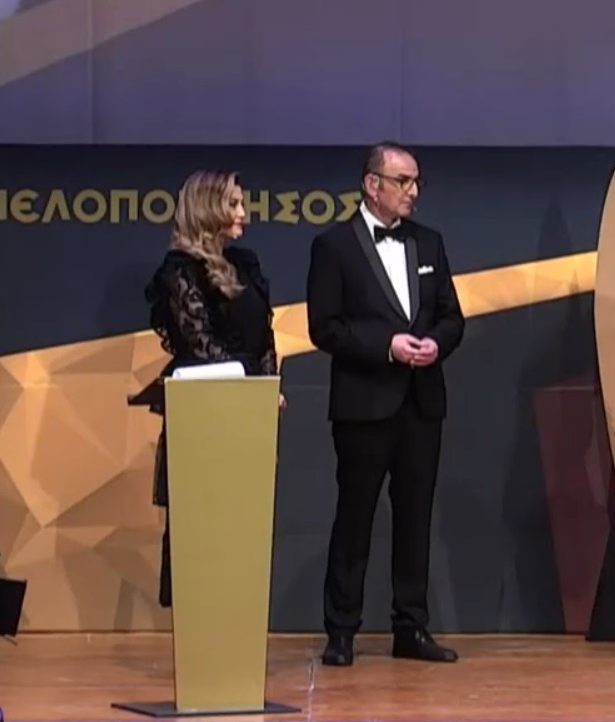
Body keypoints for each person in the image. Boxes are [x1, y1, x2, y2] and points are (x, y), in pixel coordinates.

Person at [305, 142, 465, 666]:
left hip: (422, 402)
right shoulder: (333, 246)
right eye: (403, 181)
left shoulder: (430, 242)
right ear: (371, 184)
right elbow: (324, 327)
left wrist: (435, 343)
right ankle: (341, 631)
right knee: (355, 517)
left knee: (415, 518)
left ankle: (410, 628)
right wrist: (386, 346)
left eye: (417, 181)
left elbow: (452, 316)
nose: (413, 191)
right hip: (364, 404)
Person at [135, 170, 281, 609]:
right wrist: (248, 390)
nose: (243, 213)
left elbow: (264, 337)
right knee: (203, 535)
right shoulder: (179, 271)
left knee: (245, 532)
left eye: (242, 203)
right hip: (206, 418)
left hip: (251, 418)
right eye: (233, 204)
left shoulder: (246, 264)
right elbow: (200, 346)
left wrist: (267, 387)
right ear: (206, 208)